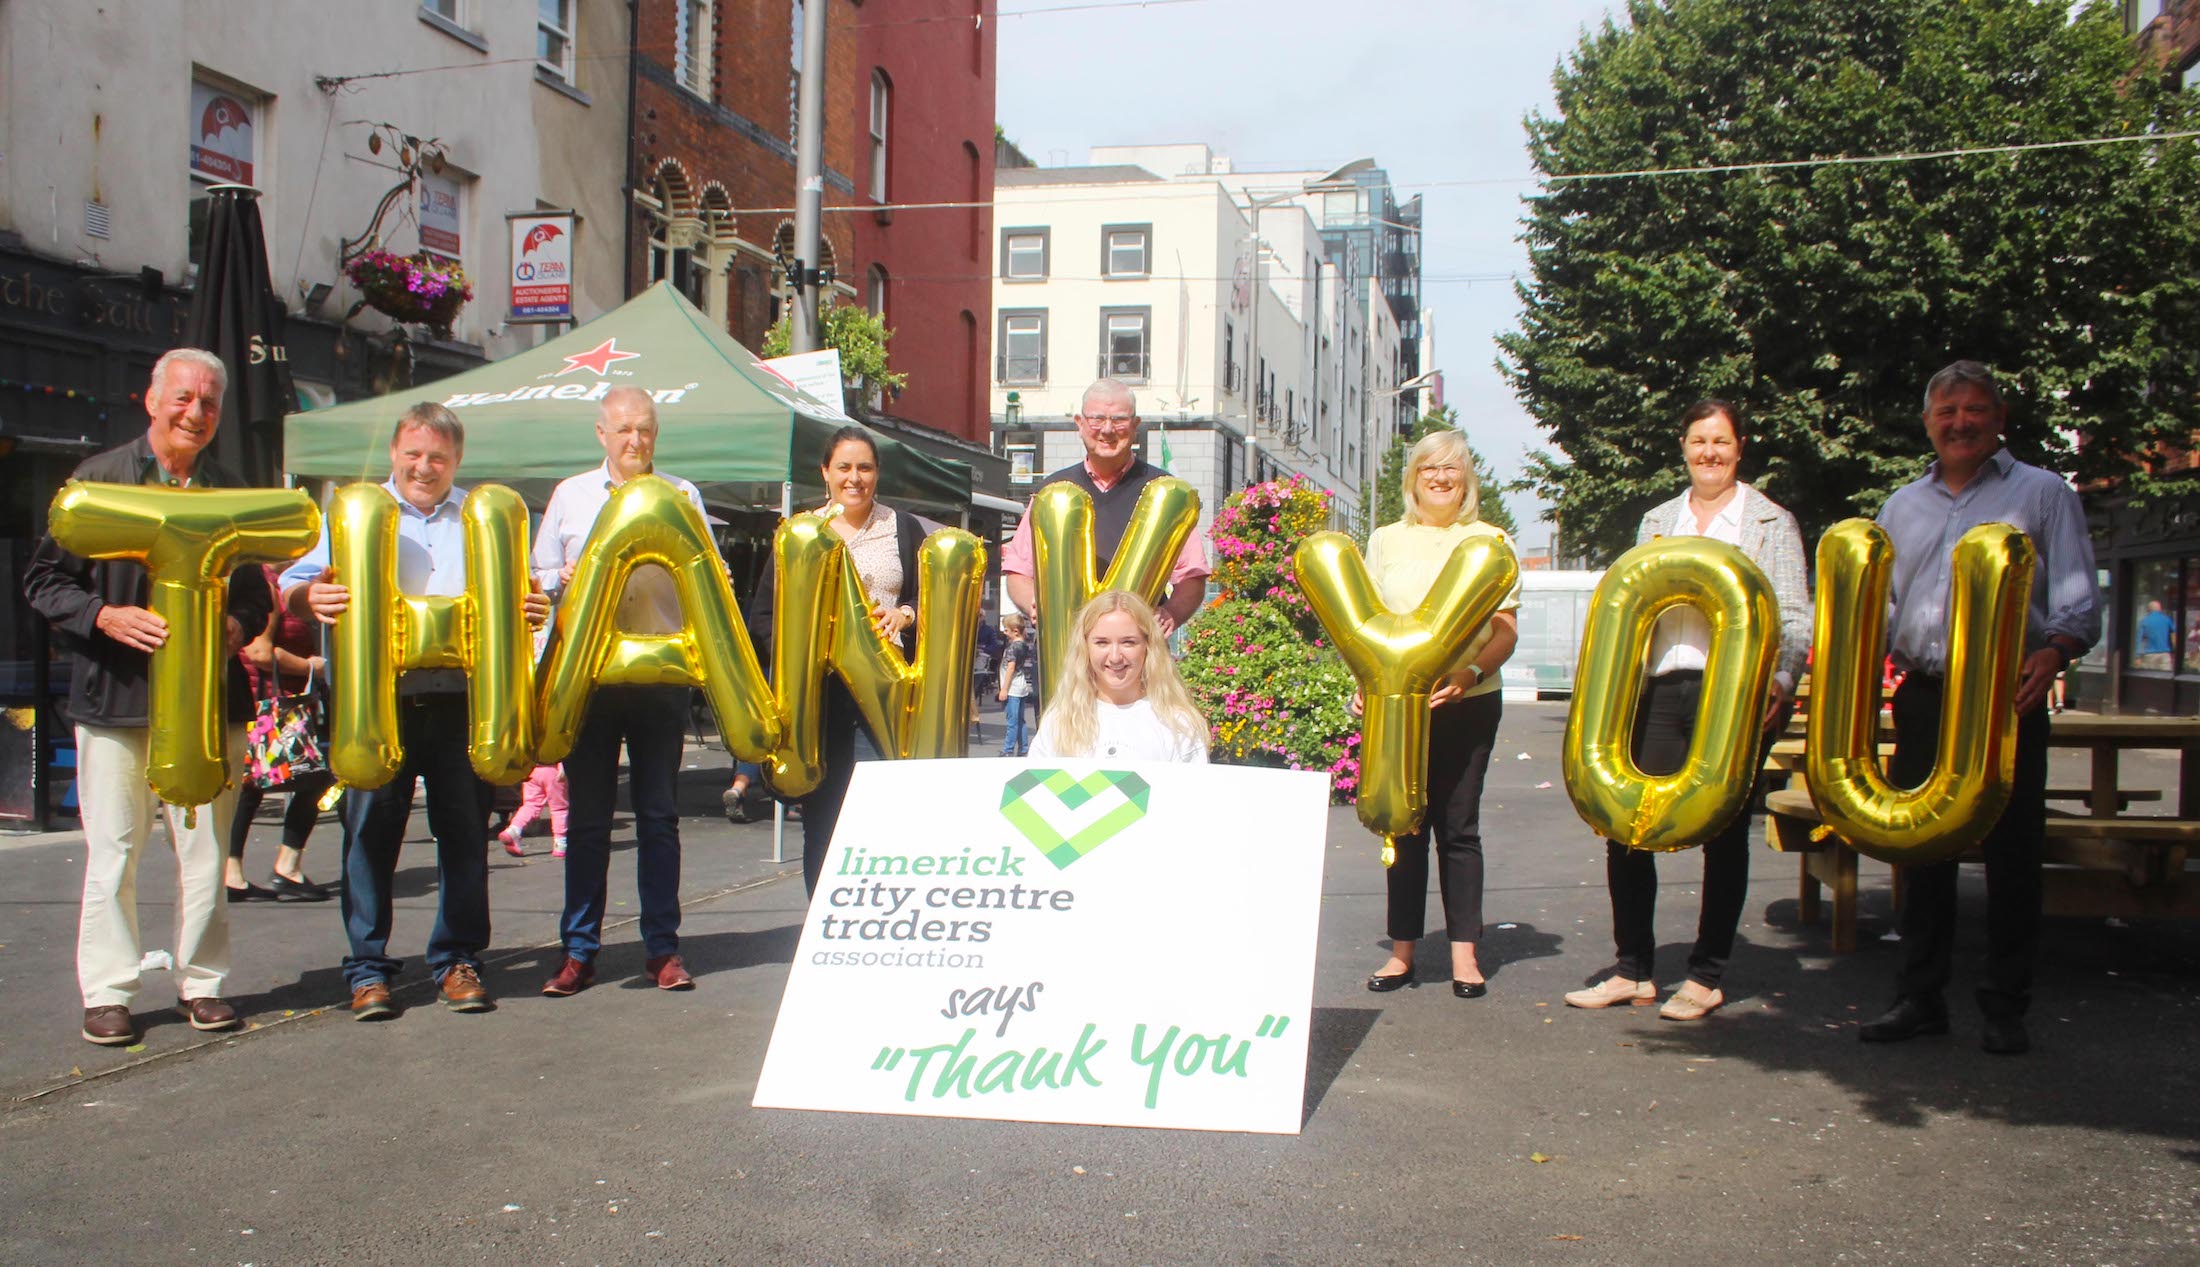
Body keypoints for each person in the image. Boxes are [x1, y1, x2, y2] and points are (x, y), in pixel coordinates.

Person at [24, 347, 272, 1046]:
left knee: (204, 852)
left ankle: (202, 983)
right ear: (152, 400)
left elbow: (255, 595)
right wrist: (104, 616)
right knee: (114, 851)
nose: (196, 412)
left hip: (205, 710)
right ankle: (108, 991)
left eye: (210, 403)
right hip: (116, 699)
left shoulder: (230, 492)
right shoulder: (99, 479)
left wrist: (236, 623)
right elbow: (44, 581)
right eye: (184, 398)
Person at [1859, 361, 2099, 1056]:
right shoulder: (1902, 505)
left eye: (1974, 410)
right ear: (1929, 422)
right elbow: (1888, 607)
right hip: (1927, 694)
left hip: (2007, 691)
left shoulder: (2044, 493)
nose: (1960, 422)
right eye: (1947, 412)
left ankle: (2004, 1001)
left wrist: (2054, 651)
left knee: (2011, 849)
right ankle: (1920, 995)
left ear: (1999, 419)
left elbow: (2079, 599)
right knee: (1922, 846)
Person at [282, 403, 550, 1021]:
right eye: (413, 454)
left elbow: (526, 594)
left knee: (463, 837)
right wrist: (307, 593)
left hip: (463, 700)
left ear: (456, 459)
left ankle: (456, 961)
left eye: (437, 456)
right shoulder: (354, 513)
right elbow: (293, 583)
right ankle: (368, 970)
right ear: (394, 454)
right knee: (369, 835)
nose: (423, 466)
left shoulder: (482, 516)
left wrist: (537, 609)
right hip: (378, 700)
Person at [1564, 401, 1810, 1021]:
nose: (1710, 453)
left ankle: (1706, 974)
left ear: (1739, 447)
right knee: (1630, 823)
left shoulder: (1770, 523)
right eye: (1699, 441)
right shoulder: (1658, 520)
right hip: (1659, 687)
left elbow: (1795, 615)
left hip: (1732, 696)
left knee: (1723, 834)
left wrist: (1782, 677)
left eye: (1721, 442)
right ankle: (1633, 970)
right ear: (1684, 446)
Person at [534, 387, 712, 996]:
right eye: (624, 430)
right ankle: (579, 950)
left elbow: (708, 581)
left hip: (660, 675)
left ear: (656, 435)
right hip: (590, 676)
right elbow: (536, 580)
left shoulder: (682, 496)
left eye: (645, 429)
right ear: (601, 435)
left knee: (659, 817)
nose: (635, 440)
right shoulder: (570, 496)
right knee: (587, 820)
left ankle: (662, 948)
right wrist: (557, 579)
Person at [1359, 428, 1520, 1001]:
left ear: (1467, 479)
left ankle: (1464, 957)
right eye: (1430, 468)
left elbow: (1504, 630)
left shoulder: (1489, 539)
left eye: (1452, 469)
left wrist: (1469, 673)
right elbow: (1368, 622)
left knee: (1459, 826)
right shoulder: (1385, 540)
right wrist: (1364, 685)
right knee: (1403, 826)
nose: (1441, 478)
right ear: (1413, 478)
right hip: (1399, 703)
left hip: (1468, 700)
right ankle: (1402, 955)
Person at [747, 425, 928, 896]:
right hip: (818, 700)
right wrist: (800, 653)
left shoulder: (903, 528)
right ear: (825, 473)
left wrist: (906, 615)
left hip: (884, 699)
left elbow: (929, 600)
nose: (855, 478)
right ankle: (822, 927)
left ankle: (879, 920)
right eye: (844, 467)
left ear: (877, 473)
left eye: (864, 467)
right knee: (823, 821)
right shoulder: (802, 533)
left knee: (881, 815)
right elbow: (763, 615)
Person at [1001, 379, 1211, 636]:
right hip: (1065, 650)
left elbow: (1192, 574)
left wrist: (1172, 613)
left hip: (1138, 656)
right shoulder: (1052, 491)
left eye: (1119, 420)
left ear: (1135, 426)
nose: (1108, 430)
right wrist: (1034, 602)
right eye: (1097, 419)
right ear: (1080, 424)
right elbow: (1019, 570)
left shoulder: (1163, 494)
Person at [226, 562, 336, 902]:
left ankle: (234, 872)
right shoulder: (269, 586)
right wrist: (313, 666)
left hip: (267, 702)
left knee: (253, 784)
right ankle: (285, 866)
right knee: (319, 776)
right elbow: (260, 651)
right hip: (275, 703)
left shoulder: (271, 582)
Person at [1026, 591, 1208, 763]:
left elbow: (1191, 794)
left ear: (1148, 646)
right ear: (1085, 647)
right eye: (1102, 643)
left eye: (1128, 642)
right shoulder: (1060, 720)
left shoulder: (1179, 725)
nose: (1114, 657)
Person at [498, 762, 568, 858]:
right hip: (553, 770)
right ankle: (561, 843)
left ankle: (513, 830)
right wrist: (563, 765)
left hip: (532, 770)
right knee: (559, 808)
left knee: (530, 804)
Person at [997, 613, 1037, 756]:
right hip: (1021, 687)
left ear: (1015, 631)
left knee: (1012, 721)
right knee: (1020, 721)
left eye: (1006, 629)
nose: (1004, 632)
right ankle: (1023, 748)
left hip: (1012, 688)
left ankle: (1008, 749)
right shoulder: (1024, 645)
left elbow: (1011, 668)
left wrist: (1004, 689)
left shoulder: (1013, 647)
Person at [2136, 599, 2174, 671]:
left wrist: (2137, 656)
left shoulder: (2144, 621)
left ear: (2148, 610)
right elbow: (2174, 634)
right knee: (2166, 678)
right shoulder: (2167, 619)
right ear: (2160, 609)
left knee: (2149, 678)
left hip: (2149, 655)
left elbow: (2139, 639)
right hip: (2164, 654)